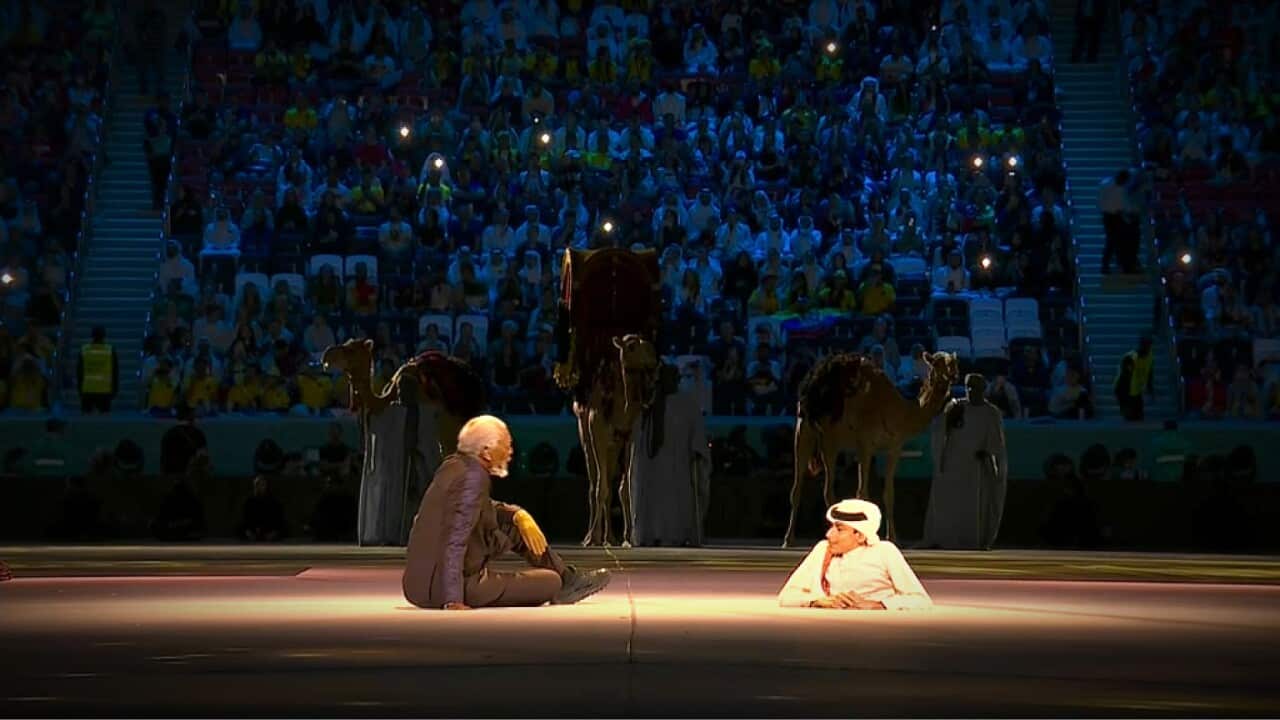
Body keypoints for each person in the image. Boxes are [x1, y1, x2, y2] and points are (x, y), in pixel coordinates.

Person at [403, 415, 611, 609]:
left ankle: (567, 578)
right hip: (449, 589)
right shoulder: (474, 478)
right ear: (486, 451)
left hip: (417, 587)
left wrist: (517, 514)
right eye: (506, 445)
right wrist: (452, 599)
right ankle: (563, 581)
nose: (511, 451)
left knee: (515, 527)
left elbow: (479, 507)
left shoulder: (454, 466)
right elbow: (455, 537)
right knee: (550, 582)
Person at [777, 499, 932, 609]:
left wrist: (879, 605)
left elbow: (920, 600)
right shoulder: (823, 550)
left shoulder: (884, 551)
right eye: (831, 527)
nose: (829, 535)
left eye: (839, 529)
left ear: (860, 535)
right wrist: (817, 601)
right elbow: (786, 597)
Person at [628, 364, 711, 547]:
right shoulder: (650, 407)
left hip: (671, 470)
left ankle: (659, 534)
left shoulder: (681, 405)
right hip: (664, 470)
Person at [923, 374, 1008, 550]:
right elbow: (939, 431)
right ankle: (947, 538)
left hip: (976, 468)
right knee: (952, 503)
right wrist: (947, 420)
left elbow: (997, 444)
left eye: (975, 388)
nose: (971, 391)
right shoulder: (956, 407)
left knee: (973, 505)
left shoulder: (991, 413)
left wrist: (987, 454)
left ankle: (972, 539)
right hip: (953, 464)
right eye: (969, 387)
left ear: (983, 390)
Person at [1098, 169, 1139, 274]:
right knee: (1111, 241)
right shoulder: (1106, 185)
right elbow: (1104, 203)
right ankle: (1106, 265)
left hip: (1118, 216)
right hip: (1109, 216)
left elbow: (1122, 204)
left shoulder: (1120, 188)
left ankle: (1123, 265)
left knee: (1120, 241)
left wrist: (1127, 213)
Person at [77, 325, 118, 413]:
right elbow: (115, 372)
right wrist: (115, 389)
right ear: (104, 336)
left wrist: (79, 389)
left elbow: (79, 372)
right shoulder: (110, 350)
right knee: (104, 418)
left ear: (92, 335)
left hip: (87, 389)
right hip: (105, 389)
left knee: (86, 418)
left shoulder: (84, 349)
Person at [1114, 336, 1154, 422]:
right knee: (1131, 417)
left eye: (1149, 346)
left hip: (1136, 390)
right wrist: (1124, 402)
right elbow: (1124, 379)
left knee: (1139, 416)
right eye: (1146, 346)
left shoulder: (1149, 356)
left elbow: (1149, 371)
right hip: (1124, 389)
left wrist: (1150, 387)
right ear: (1141, 346)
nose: (1148, 349)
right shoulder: (1131, 358)